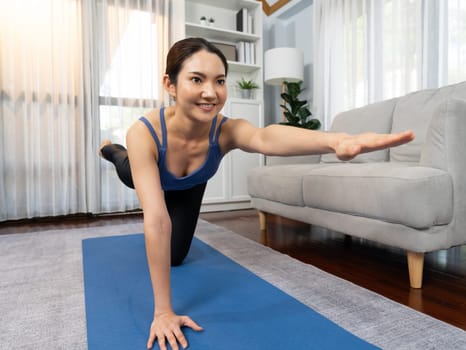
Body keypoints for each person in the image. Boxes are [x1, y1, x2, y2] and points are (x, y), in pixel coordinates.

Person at [99, 37, 414, 350]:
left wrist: (335, 141)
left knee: (176, 258)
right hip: (146, 167)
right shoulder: (145, 133)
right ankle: (111, 150)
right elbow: (156, 220)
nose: (211, 92)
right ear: (170, 84)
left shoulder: (225, 130)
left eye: (219, 81)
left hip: (189, 186)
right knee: (126, 168)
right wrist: (163, 312)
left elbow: (265, 137)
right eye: (196, 79)